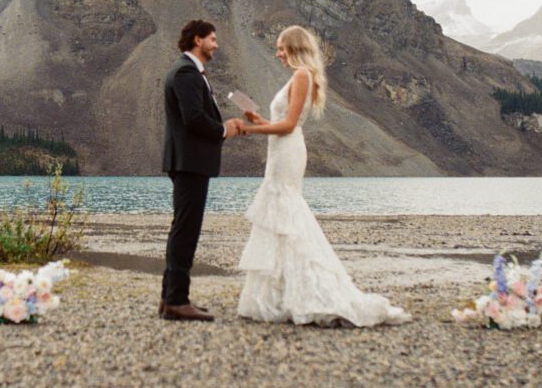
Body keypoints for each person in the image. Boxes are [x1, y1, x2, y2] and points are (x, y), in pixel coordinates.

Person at [236, 25, 411, 327]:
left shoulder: (302, 75)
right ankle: (282, 291)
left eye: (281, 48)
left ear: (294, 47)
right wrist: (259, 120)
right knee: (281, 213)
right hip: (280, 150)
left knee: (287, 210)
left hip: (287, 149)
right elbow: (281, 122)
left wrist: (249, 130)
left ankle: (302, 289)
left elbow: (289, 125)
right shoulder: (300, 76)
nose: (277, 53)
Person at [160, 19, 246, 322]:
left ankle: (168, 297)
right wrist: (224, 130)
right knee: (186, 229)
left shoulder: (189, 71)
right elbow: (194, 118)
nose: (216, 44)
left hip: (189, 161)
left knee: (182, 227)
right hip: (190, 162)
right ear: (197, 40)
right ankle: (177, 300)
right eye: (212, 39)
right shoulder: (185, 72)